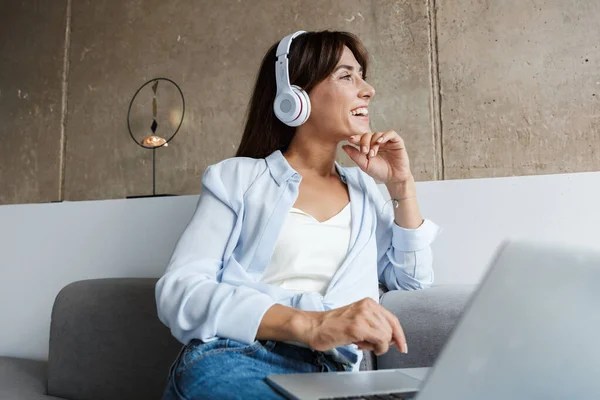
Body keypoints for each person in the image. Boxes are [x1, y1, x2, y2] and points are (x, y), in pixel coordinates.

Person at [156, 30, 441, 400]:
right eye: (346, 76)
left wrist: (402, 188)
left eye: (362, 75)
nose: (367, 89)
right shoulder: (237, 179)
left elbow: (412, 285)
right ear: (295, 97)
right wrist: (310, 323)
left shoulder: (366, 190)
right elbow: (179, 292)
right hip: (241, 356)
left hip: (335, 374)